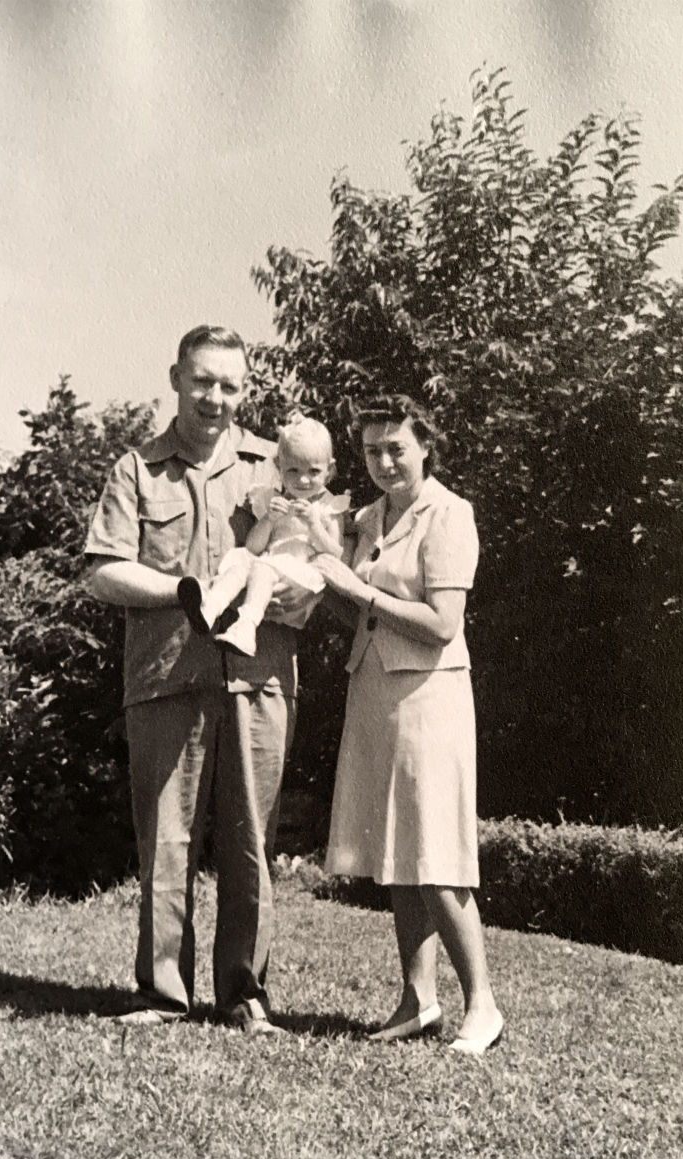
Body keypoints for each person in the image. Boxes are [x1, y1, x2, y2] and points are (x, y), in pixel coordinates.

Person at [84, 324, 302, 1036]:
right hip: (166, 677)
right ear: (175, 377)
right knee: (167, 841)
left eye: (231, 385)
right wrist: (181, 590)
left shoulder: (273, 469)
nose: (216, 398)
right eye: (203, 380)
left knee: (249, 841)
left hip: (259, 679)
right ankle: (162, 993)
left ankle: (244, 994)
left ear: (246, 391)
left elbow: (312, 564)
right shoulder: (136, 470)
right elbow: (102, 571)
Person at [316, 394, 504, 1055]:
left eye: (397, 446)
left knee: (438, 856)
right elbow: (362, 617)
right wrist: (330, 585)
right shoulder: (365, 518)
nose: (385, 460)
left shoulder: (449, 515)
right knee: (399, 853)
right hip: (373, 690)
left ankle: (482, 1006)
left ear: (425, 445)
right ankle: (417, 999)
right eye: (372, 450)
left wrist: (359, 589)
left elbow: (440, 624)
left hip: (432, 696)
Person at [176, 414, 349, 657]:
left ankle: (246, 629)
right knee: (241, 561)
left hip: (300, 581)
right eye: (293, 470)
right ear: (279, 467)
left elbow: (335, 555)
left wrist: (314, 524)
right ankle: (210, 605)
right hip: (268, 569)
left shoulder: (328, 507)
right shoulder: (272, 500)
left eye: (314, 471)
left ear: (329, 471)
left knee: (262, 568)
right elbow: (253, 548)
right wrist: (268, 519)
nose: (302, 479)